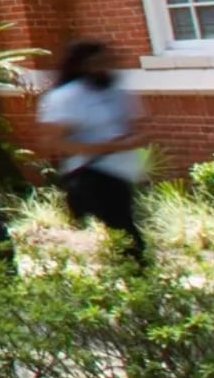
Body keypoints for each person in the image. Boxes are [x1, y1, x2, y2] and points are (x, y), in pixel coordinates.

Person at [38, 40, 149, 266]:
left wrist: (130, 144)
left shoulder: (118, 93)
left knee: (125, 228)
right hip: (91, 172)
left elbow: (135, 126)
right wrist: (112, 146)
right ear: (81, 65)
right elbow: (56, 141)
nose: (105, 67)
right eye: (98, 63)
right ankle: (139, 280)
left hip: (121, 171)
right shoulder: (66, 98)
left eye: (108, 61)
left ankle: (133, 275)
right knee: (127, 233)